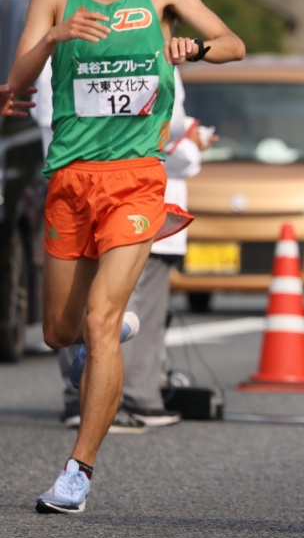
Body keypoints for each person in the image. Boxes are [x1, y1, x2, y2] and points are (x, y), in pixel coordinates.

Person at [6, 0, 245, 514]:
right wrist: (54, 35)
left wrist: (190, 49)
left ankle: (77, 473)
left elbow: (233, 43)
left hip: (138, 180)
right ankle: (113, 324)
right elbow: (21, 78)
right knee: (59, 330)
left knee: (101, 322)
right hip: (71, 180)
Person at [45, 63, 209, 431]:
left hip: (130, 197)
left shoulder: (156, 53)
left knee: (108, 313)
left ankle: (105, 416)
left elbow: (161, 124)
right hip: (72, 192)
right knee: (59, 329)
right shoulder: (69, 47)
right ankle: (93, 396)